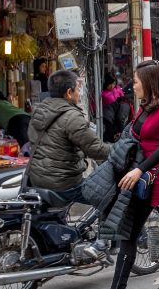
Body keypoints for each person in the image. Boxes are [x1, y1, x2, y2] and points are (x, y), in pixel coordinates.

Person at [91, 60, 159, 289]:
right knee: (128, 233)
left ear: (149, 83)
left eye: (137, 81)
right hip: (139, 178)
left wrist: (140, 169)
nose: (133, 86)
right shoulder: (145, 108)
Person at [27, 69, 112, 201]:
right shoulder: (71, 116)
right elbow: (96, 150)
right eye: (77, 89)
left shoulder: (40, 110)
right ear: (69, 93)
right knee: (110, 196)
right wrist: (120, 149)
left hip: (37, 179)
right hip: (64, 184)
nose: (79, 93)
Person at [101, 74, 131, 142]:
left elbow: (123, 101)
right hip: (110, 116)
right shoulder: (103, 93)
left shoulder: (117, 89)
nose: (112, 86)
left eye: (114, 83)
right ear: (106, 83)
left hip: (119, 115)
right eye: (110, 84)